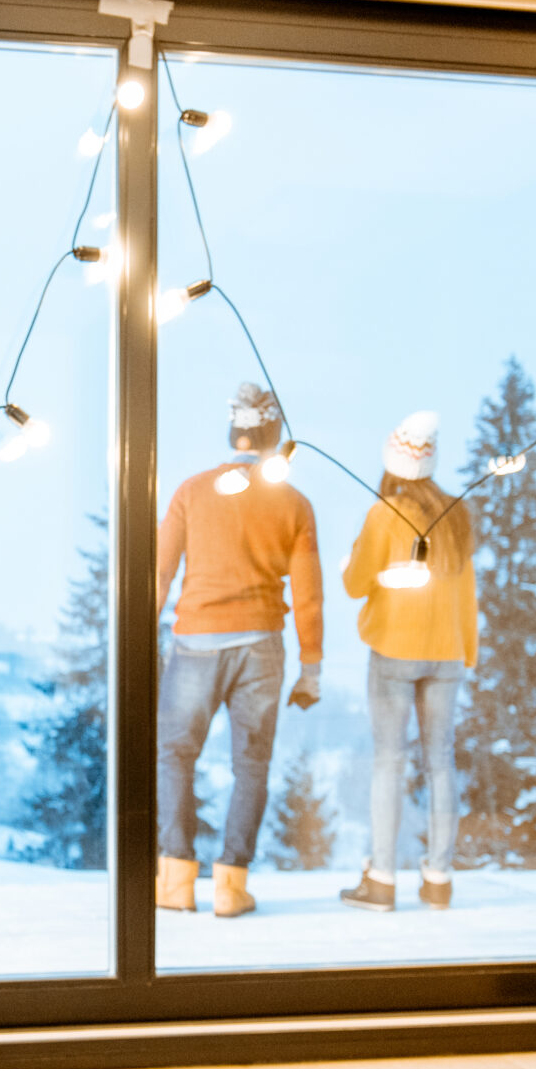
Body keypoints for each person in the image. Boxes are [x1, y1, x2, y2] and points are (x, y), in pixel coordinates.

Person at [154, 383, 323, 918]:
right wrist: (311, 668)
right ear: (275, 435)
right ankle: (230, 886)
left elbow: (158, 573)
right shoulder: (294, 503)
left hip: (196, 642)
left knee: (175, 755)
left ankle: (175, 880)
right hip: (260, 645)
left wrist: (138, 636)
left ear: (233, 431)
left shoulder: (192, 491)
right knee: (251, 765)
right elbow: (309, 595)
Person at [339, 411, 478, 911]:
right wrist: (467, 650)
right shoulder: (457, 514)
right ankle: (439, 879)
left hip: (395, 649)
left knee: (389, 762)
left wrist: (355, 558)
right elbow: (468, 590)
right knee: (441, 762)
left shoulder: (384, 514)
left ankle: (381, 878)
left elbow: (355, 584)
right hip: (447, 653)